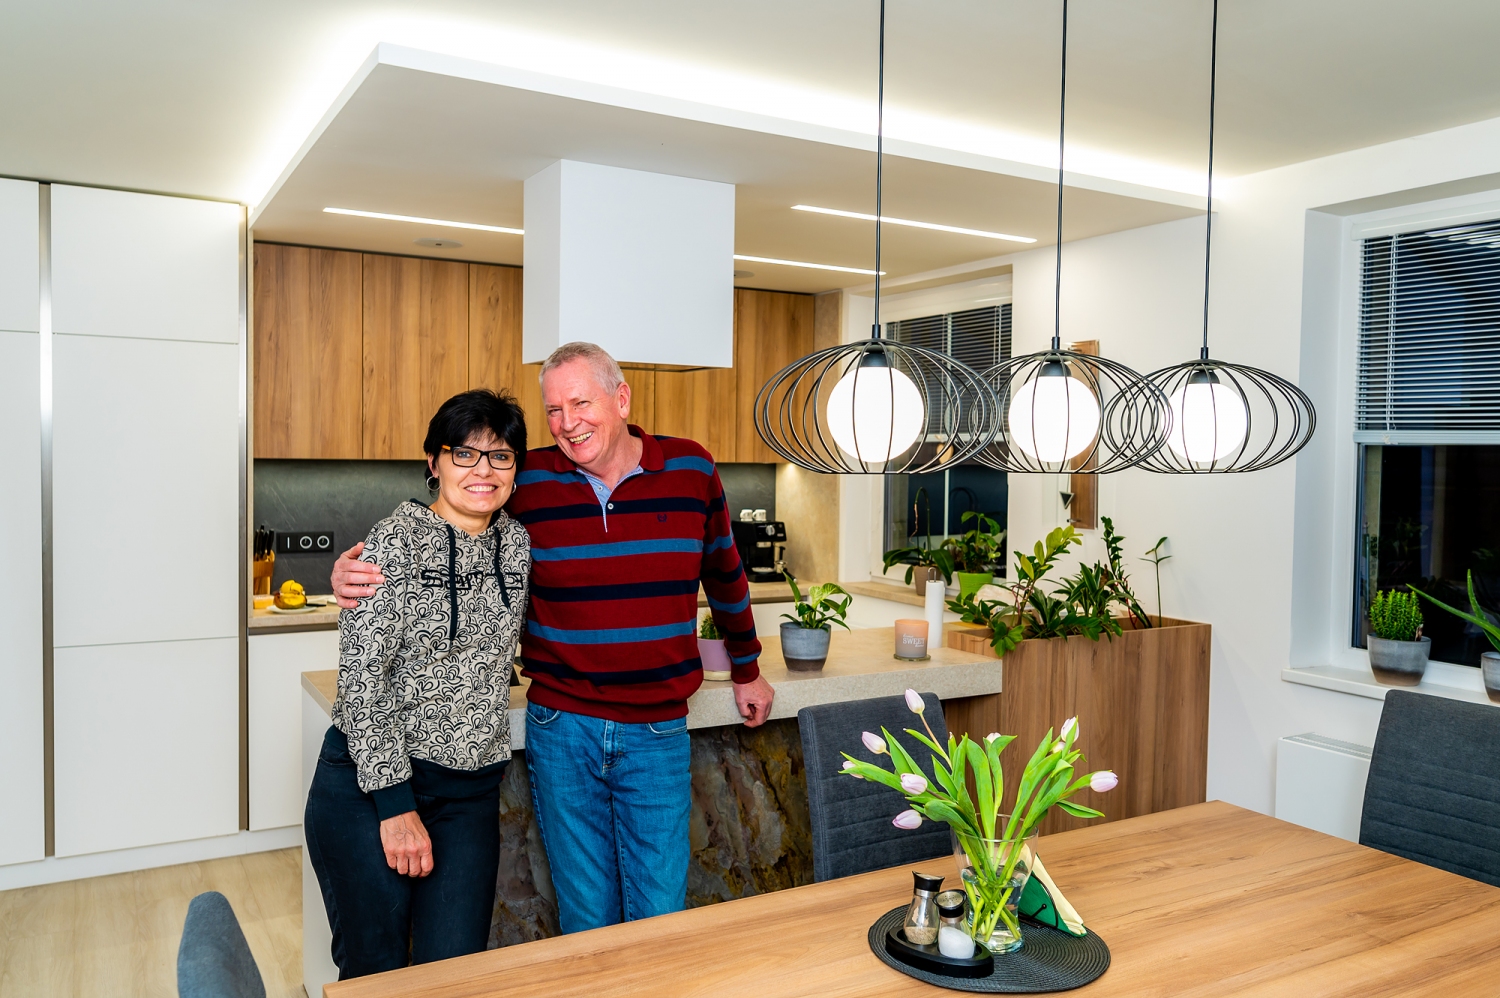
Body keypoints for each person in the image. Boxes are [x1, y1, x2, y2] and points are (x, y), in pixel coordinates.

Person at [332, 341, 774, 933]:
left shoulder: (691, 468)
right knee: (586, 916)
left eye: (581, 403)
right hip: (562, 726)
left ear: (622, 399)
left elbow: (724, 572)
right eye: (554, 411)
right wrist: (355, 571)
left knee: (661, 916)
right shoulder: (527, 477)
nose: (567, 423)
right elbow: (449, 519)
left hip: (657, 730)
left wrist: (747, 668)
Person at [305, 389, 531, 979]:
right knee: (376, 972)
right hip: (369, 792)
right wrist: (395, 806)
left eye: (500, 456)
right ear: (434, 462)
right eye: (465, 454)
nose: (483, 471)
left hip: (469, 797)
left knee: (451, 975)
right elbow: (362, 683)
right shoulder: (393, 542)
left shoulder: (518, 546)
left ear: (515, 469)